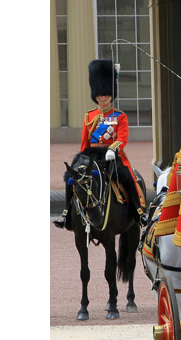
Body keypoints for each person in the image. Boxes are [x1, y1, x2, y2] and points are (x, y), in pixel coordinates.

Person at [54, 59, 145, 229]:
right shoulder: (89, 116)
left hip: (112, 155)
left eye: (106, 94)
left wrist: (113, 149)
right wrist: (81, 158)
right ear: (96, 95)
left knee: (128, 178)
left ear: (111, 95)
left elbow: (123, 138)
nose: (103, 97)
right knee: (70, 179)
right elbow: (85, 142)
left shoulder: (120, 116)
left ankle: (138, 213)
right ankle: (67, 214)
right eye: (101, 94)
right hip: (91, 155)